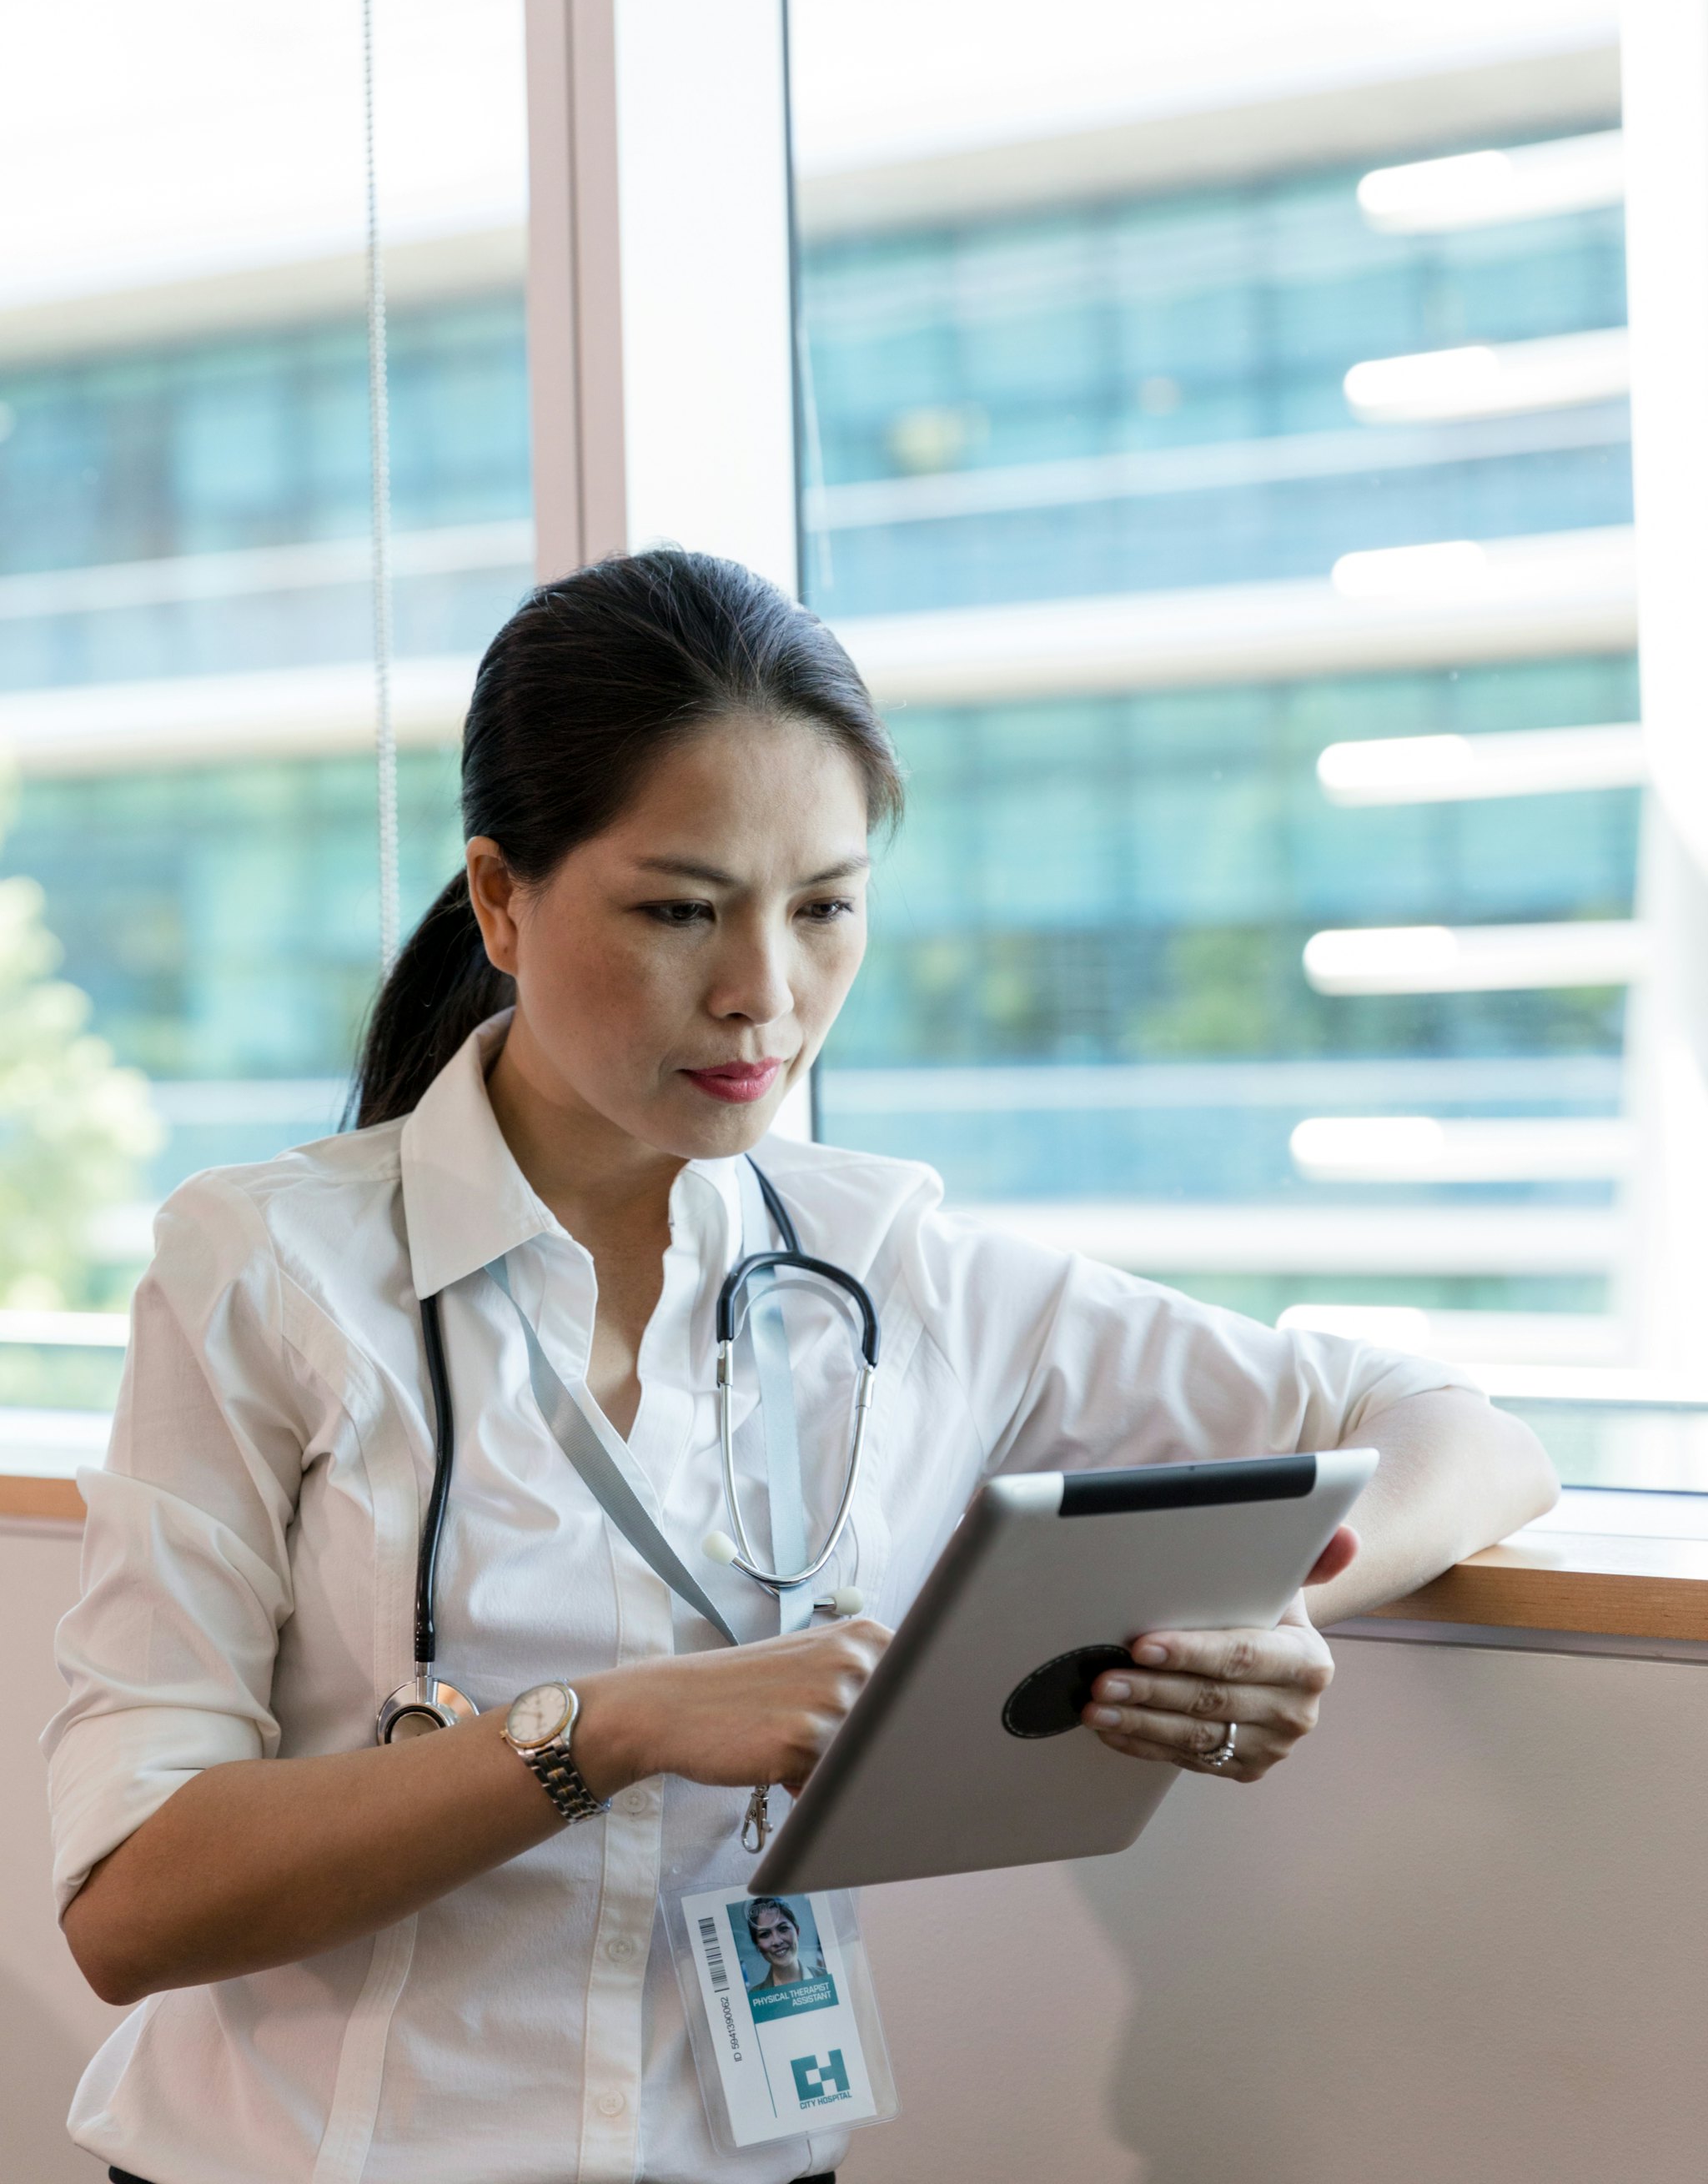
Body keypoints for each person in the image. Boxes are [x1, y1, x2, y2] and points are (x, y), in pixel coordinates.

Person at [45, 549, 1558, 2184]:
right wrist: (604, 1730)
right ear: (500, 900)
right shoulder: (268, 1268)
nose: (764, 994)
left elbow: (1456, 1431)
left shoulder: (894, 1268)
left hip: (749, 2158)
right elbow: (135, 1900)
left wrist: (1269, 1611)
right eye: (679, 909)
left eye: (824, 906)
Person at [745, 1897, 824, 1991]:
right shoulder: (755, 1997)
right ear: (758, 1946)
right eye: (765, 1934)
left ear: (797, 1932)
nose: (777, 1941)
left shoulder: (827, 1977)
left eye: (783, 1929)